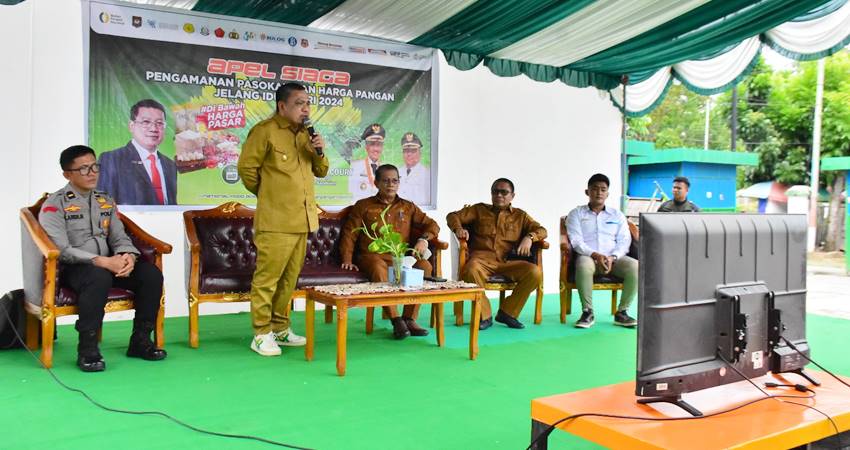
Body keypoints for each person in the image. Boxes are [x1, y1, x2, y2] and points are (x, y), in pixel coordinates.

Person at [39, 145, 167, 372]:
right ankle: (88, 348)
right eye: (84, 169)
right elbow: (61, 249)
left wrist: (128, 256)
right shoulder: (55, 204)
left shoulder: (105, 200)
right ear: (67, 174)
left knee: (150, 274)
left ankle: (140, 340)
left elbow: (120, 236)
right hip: (76, 269)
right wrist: (101, 261)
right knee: (98, 277)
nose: (92, 173)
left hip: (110, 264)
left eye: (94, 166)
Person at [237, 83, 329, 357]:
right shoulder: (265, 132)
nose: (306, 109)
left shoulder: (306, 135)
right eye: (300, 103)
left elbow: (322, 171)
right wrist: (269, 196)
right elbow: (247, 169)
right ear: (282, 106)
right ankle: (261, 333)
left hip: (303, 221)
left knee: (289, 281)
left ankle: (280, 328)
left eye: (308, 104)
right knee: (267, 279)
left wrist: (319, 150)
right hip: (276, 221)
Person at [340, 164, 440, 339]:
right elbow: (349, 234)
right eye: (385, 181)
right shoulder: (363, 206)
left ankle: (409, 318)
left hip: (400, 258)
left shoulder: (408, 207)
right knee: (379, 268)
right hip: (371, 257)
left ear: (399, 183)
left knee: (424, 266)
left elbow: (433, 225)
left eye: (394, 181)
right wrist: (347, 259)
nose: (390, 184)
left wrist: (423, 239)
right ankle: (396, 320)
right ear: (376, 183)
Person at [446, 178, 546, 330]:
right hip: (481, 261)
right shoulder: (478, 210)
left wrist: (529, 237)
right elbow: (452, 216)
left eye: (504, 192)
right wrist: (458, 228)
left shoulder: (521, 216)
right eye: (495, 192)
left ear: (512, 196)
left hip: (508, 262)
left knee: (535, 272)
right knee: (470, 270)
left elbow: (542, 230)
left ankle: (508, 312)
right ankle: (484, 315)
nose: (499, 195)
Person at [566, 173, 638, 329]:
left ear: (607, 193)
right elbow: (576, 241)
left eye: (603, 189)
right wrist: (595, 255)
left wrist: (613, 257)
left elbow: (624, 240)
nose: (599, 192)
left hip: (614, 259)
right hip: (589, 257)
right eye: (595, 189)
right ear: (587, 192)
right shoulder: (576, 214)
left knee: (636, 266)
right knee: (583, 265)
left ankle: (622, 312)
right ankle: (587, 312)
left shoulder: (617, 215)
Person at [97, 99, 178, 205]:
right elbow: (103, 206)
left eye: (159, 123)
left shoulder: (170, 165)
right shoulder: (112, 159)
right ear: (131, 126)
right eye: (146, 122)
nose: (153, 128)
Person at [348, 123, 385, 201]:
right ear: (366, 147)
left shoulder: (386, 168)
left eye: (379, 145)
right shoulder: (355, 166)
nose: (376, 149)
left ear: (382, 147)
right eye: (372, 144)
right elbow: (352, 195)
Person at [397, 132, 431, 205]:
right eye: (406, 151)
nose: (409, 154)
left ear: (420, 153)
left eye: (413, 151)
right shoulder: (396, 172)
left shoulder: (427, 174)